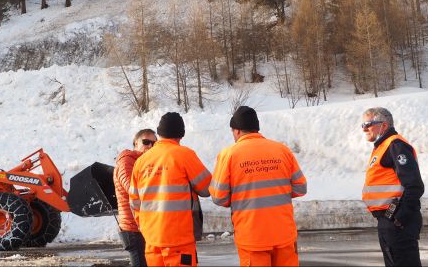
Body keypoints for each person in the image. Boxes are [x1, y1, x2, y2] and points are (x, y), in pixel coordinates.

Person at [209, 106, 307, 267]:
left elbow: (219, 197)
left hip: (252, 238)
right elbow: (300, 187)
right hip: (284, 234)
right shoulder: (282, 150)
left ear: (237, 130)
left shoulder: (229, 154)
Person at [129, 112, 212, 267]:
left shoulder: (141, 161)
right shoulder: (184, 155)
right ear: (180, 135)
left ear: (159, 134)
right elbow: (207, 188)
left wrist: (146, 227)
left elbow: (134, 202)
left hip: (152, 240)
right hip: (179, 241)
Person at [361, 107, 424, 267]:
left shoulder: (395, 145)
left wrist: (399, 217)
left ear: (384, 125)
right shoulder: (381, 147)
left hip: (398, 222)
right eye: (362, 125)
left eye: (368, 124)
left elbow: (414, 185)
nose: (364, 129)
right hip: (387, 220)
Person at [114, 128, 158, 266]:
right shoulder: (127, 161)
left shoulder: (145, 162)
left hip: (143, 225)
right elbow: (132, 189)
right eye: (146, 142)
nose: (150, 146)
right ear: (136, 143)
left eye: (154, 143)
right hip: (132, 227)